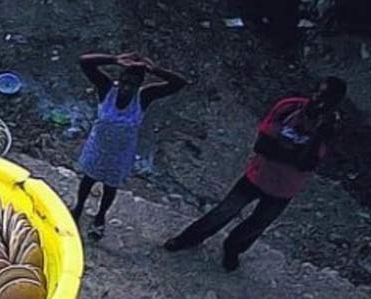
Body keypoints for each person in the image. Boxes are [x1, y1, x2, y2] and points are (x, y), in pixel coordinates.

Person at [164, 77, 347, 271]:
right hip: (257, 176)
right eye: (320, 94)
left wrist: (315, 135)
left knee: (256, 225)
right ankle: (187, 239)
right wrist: (294, 153)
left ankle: (232, 250)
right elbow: (262, 145)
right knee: (223, 212)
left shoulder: (330, 127)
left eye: (329, 99)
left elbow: (307, 163)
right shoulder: (289, 108)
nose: (321, 101)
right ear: (313, 91)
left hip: (284, 189)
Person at [73, 52, 188, 239]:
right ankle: (78, 208)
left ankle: (100, 216)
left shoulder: (144, 97)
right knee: (88, 181)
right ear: (119, 79)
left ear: (139, 85)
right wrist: (114, 59)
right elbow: (84, 61)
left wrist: (156, 70)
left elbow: (179, 83)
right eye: (125, 82)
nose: (127, 88)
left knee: (110, 188)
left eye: (133, 85)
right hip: (97, 148)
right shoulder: (107, 89)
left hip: (120, 154)